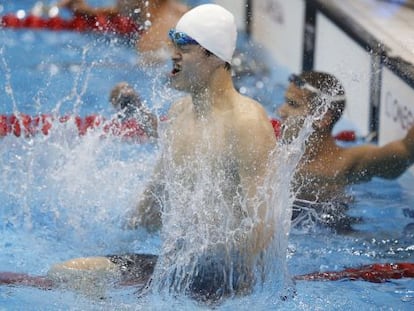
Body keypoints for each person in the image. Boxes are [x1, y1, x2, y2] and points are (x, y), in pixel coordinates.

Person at [0, 4, 278, 302]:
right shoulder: (181, 112)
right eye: (173, 43)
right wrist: (120, 234)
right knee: (70, 273)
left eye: (183, 46)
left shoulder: (248, 124)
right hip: (178, 265)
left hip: (225, 278)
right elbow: (155, 199)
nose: (172, 54)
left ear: (213, 55)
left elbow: (261, 229)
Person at [278, 71, 414, 230]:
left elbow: (405, 151)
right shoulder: (278, 153)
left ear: (323, 118)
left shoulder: (344, 163)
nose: (281, 111)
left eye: (293, 104)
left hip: (330, 231)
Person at [58, 0, 188, 58]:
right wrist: (87, 11)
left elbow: (150, 64)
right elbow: (117, 11)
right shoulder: (169, 8)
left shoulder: (153, 38)